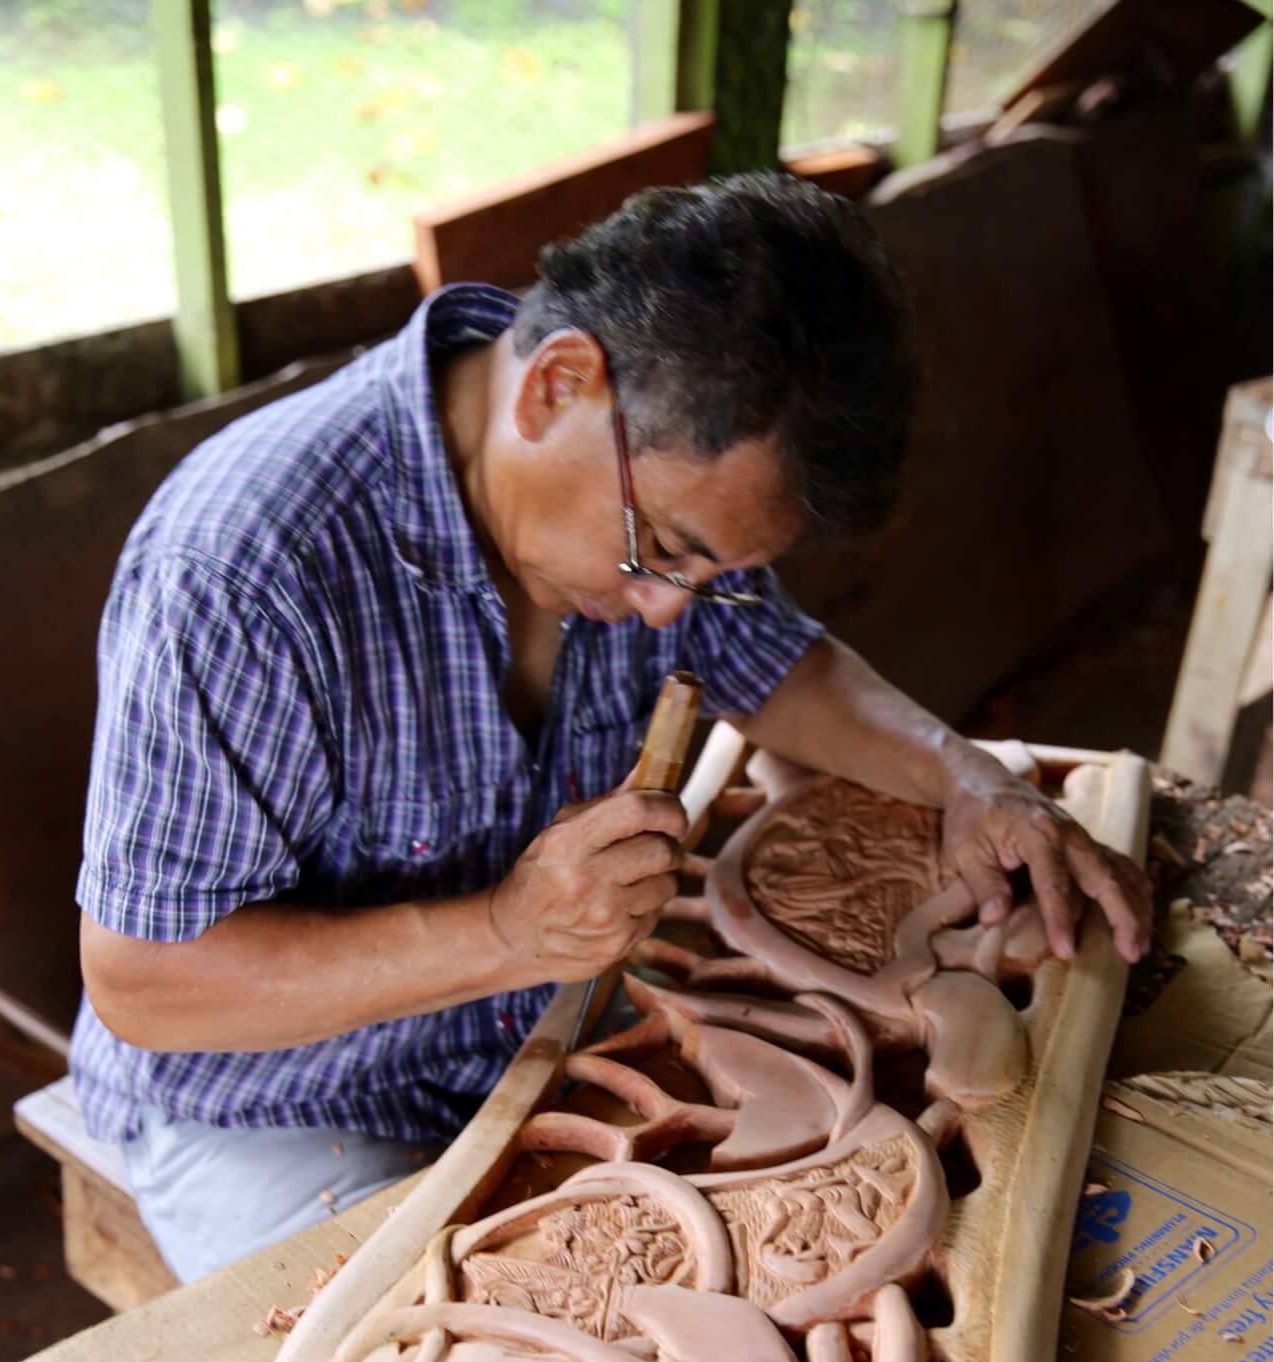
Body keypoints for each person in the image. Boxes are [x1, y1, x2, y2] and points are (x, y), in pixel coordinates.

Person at [74, 172, 1151, 1283]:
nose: (668, 609)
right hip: (275, 1103)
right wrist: (504, 933)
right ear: (555, 386)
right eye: (664, 551)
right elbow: (145, 979)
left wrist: (970, 778)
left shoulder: (651, 468)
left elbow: (776, 667)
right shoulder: (246, 569)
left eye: (721, 572)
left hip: (536, 1022)